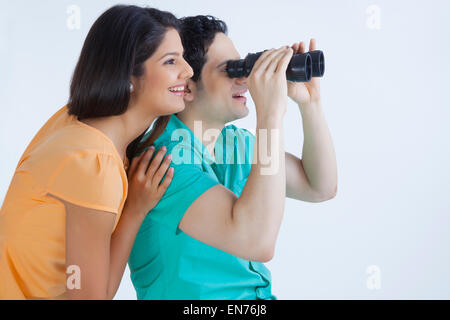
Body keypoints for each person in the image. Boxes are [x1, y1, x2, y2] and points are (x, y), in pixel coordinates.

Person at [128, 15, 337, 299]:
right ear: (186, 86)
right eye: (231, 70)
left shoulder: (235, 144)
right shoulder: (163, 161)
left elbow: (319, 186)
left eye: (245, 66)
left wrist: (309, 104)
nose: (245, 79)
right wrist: (270, 114)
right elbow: (259, 242)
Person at [0, 5, 193, 299]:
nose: (188, 70)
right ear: (128, 74)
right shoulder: (94, 162)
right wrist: (134, 211)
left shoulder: (71, 120)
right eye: (170, 61)